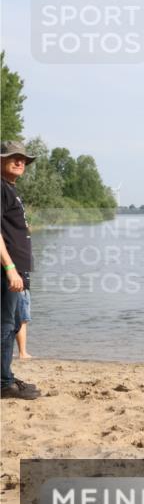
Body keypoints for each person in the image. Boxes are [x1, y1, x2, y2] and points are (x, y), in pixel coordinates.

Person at [1, 141, 41, 399]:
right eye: (13, 157)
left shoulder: (9, 188)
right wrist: (10, 268)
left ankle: (6, 375)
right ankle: (3, 383)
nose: (20, 162)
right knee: (4, 326)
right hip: (7, 271)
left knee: (13, 323)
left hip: (16, 272)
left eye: (23, 159)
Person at [16, 289, 31, 358]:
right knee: (22, 320)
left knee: (7, 319)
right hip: (19, 288)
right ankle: (22, 353)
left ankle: (4, 350)